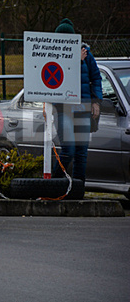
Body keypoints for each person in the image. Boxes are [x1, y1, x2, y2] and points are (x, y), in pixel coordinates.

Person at [52, 18, 102, 184]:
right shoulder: (53, 54)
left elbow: (96, 78)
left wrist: (96, 101)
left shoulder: (86, 54)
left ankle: (78, 190)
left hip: (82, 107)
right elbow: (60, 77)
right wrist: (76, 61)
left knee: (81, 153)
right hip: (63, 109)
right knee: (69, 150)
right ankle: (54, 183)